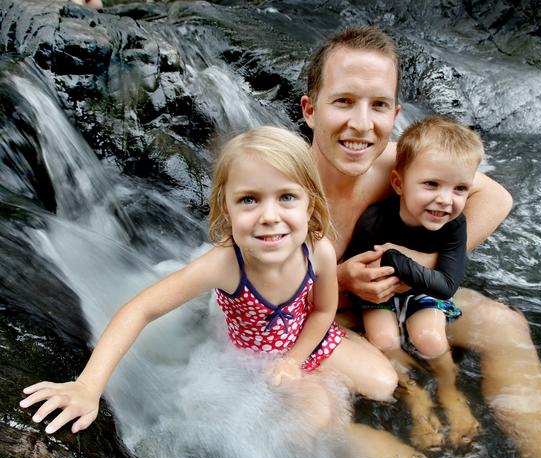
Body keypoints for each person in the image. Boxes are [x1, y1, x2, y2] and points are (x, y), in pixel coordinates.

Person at [300, 25, 541, 458]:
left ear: (394, 114)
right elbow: (238, 285)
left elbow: (494, 199)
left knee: (503, 324)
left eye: (377, 106)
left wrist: (424, 262)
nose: (361, 124)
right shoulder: (276, 181)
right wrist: (340, 281)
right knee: (314, 422)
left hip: (402, 297)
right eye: (344, 101)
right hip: (317, 321)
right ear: (311, 110)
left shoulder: (395, 164)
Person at [19, 126, 398, 436]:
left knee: (385, 385)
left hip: (305, 340)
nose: (269, 216)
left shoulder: (318, 251)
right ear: (225, 207)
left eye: (286, 197)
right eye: (249, 200)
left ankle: (333, 369)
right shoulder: (225, 264)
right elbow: (140, 309)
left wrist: (296, 360)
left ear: (310, 204)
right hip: (254, 356)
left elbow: (323, 309)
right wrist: (89, 386)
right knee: (309, 429)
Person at [345, 115, 483, 448]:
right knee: (383, 339)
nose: (445, 200)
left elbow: (447, 284)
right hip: (379, 289)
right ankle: (416, 397)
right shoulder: (375, 219)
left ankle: (450, 391)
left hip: (425, 285)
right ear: (398, 183)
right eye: (432, 184)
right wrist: (380, 272)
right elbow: (359, 267)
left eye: (459, 189)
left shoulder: (454, 224)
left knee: (431, 338)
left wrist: (397, 258)